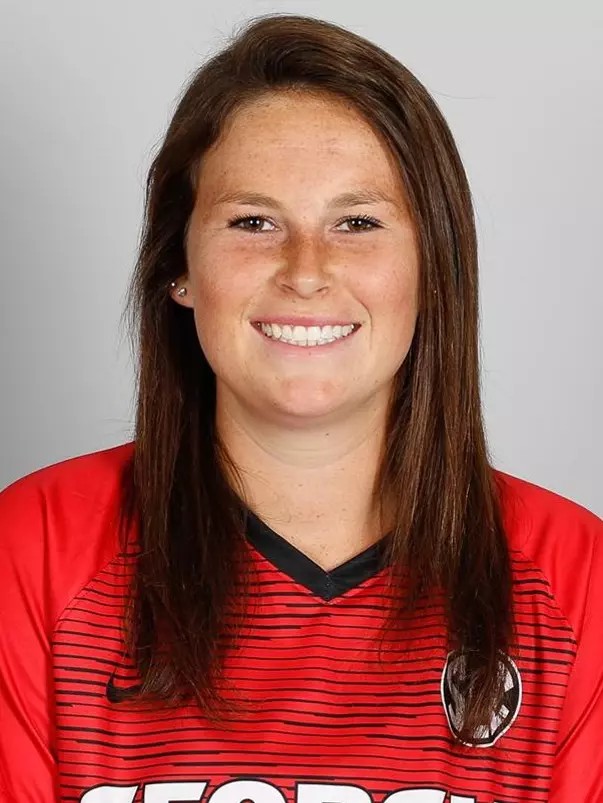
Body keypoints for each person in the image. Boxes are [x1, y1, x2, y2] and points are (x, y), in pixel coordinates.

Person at [1, 12, 601, 803]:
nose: (306, 271)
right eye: (253, 222)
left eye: (357, 223)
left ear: (433, 269)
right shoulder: (34, 551)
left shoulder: (573, 578)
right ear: (178, 267)